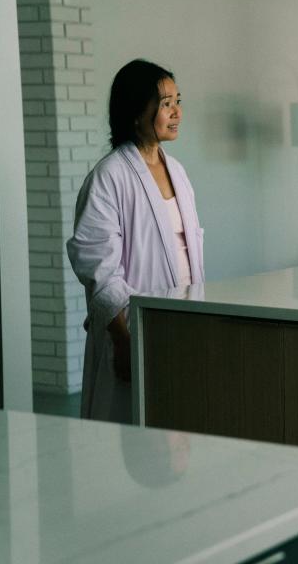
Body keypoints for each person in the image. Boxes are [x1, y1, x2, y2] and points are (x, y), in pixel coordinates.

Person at [68, 59, 204, 423]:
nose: (176, 112)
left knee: (177, 429)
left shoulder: (177, 172)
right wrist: (124, 340)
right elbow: (101, 271)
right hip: (133, 330)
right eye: (165, 104)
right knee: (127, 431)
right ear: (135, 111)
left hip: (182, 325)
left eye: (178, 101)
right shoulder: (108, 178)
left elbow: (188, 257)